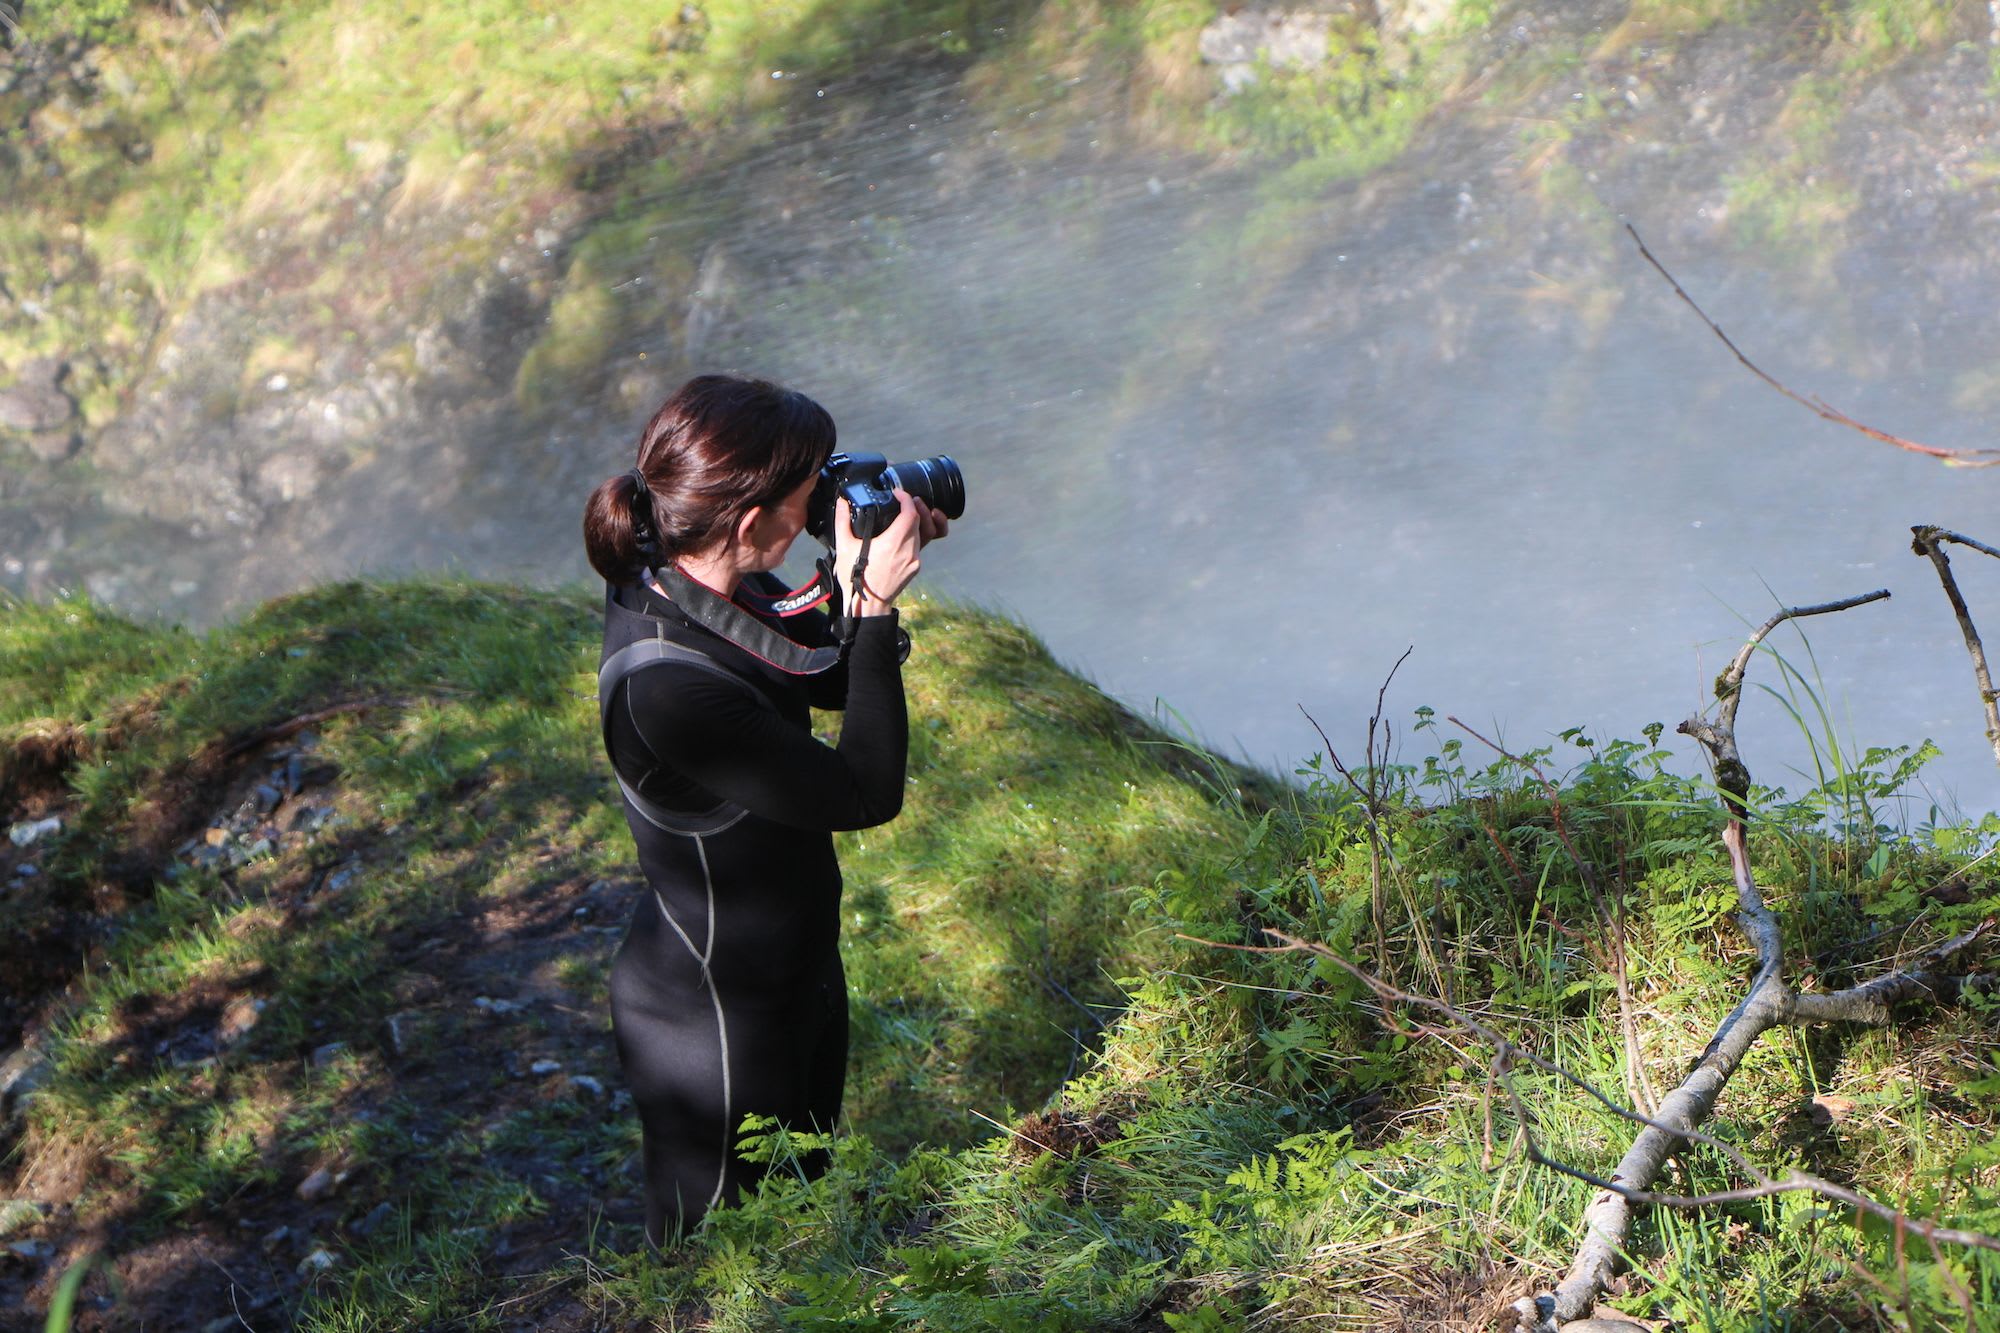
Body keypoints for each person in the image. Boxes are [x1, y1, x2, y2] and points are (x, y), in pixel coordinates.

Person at [580, 374, 946, 1247]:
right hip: (714, 1022)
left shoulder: (696, 570)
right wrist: (874, 604)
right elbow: (863, 790)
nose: (823, 499)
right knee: (716, 1264)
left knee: (802, 1224)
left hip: (792, 973)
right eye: (808, 491)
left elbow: (809, 668)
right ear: (750, 522)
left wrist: (850, 575)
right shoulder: (664, 686)